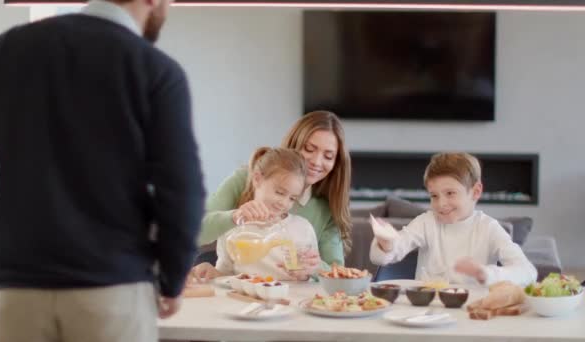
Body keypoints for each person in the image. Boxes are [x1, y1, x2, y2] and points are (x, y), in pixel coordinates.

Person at [0, 0, 205, 341]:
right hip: (114, 288)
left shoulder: (8, 49)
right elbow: (182, 189)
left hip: (19, 286)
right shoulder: (154, 68)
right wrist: (172, 279)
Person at [196, 111, 351, 272]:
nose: (317, 162)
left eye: (328, 156)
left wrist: (313, 269)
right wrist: (234, 216)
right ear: (294, 145)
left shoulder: (325, 209)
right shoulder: (247, 178)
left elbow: (337, 272)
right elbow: (195, 230)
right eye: (310, 149)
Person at [370, 152, 537, 286]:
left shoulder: (489, 228)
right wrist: (387, 245)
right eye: (434, 195)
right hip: (427, 314)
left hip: (472, 313)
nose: (441, 204)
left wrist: (486, 273)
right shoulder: (426, 223)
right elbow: (386, 254)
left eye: (450, 193)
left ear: (476, 191)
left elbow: (528, 272)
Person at [193, 147, 320, 281]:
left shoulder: (303, 228)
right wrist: (213, 273)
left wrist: (307, 275)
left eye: (292, 198)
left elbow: (314, 277)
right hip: (245, 300)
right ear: (257, 179)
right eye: (280, 192)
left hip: (292, 299)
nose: (284, 203)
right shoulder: (234, 226)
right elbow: (226, 274)